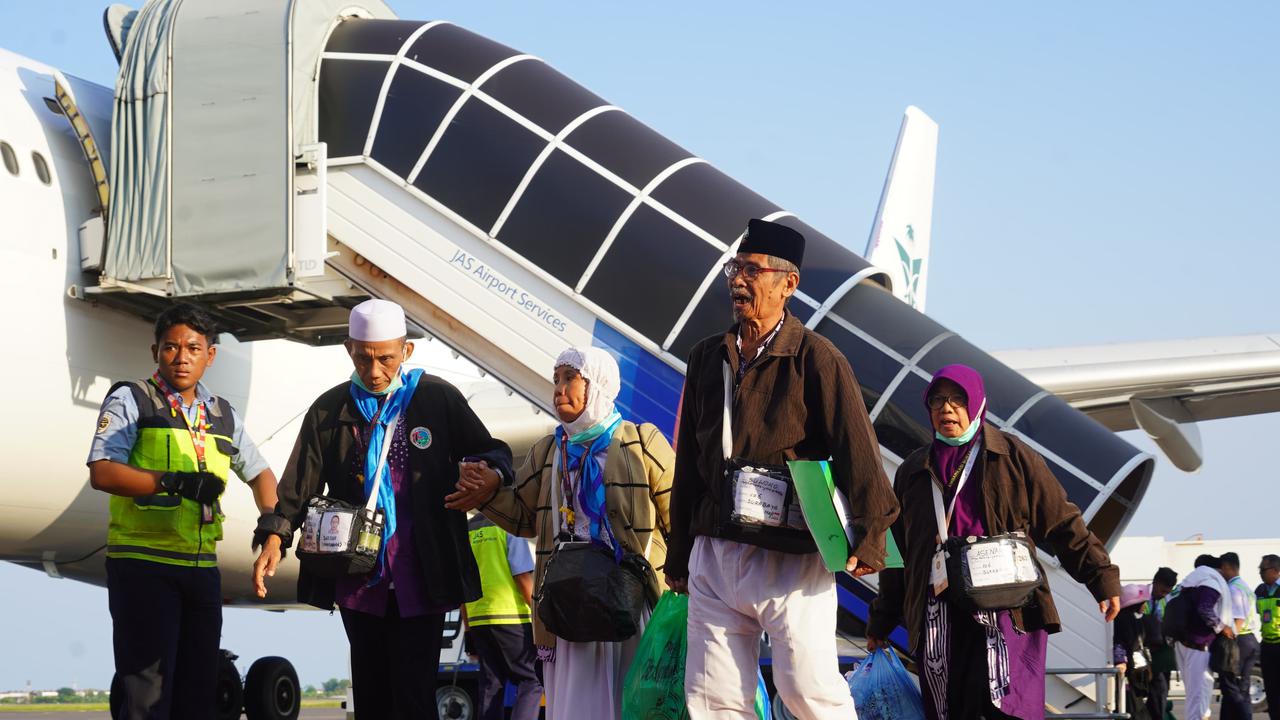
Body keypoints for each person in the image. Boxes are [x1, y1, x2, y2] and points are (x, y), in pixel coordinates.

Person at [663, 218, 900, 719]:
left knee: (808, 691)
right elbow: (689, 459)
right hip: (716, 549)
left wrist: (873, 532)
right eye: (735, 268)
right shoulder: (707, 357)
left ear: (787, 284)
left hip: (789, 553)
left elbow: (857, 448)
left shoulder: (818, 358)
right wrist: (680, 551)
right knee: (712, 698)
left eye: (752, 270)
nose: (737, 280)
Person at [252, 299, 513, 720]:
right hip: (358, 578)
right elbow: (297, 485)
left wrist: (491, 477)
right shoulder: (328, 409)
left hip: (422, 574)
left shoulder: (437, 398)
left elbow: (493, 451)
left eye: (386, 359)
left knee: (412, 697)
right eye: (364, 358)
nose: (374, 371)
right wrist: (274, 537)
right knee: (371, 694)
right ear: (349, 349)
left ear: (406, 351)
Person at [866, 364, 1122, 720]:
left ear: (976, 404)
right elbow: (899, 554)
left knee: (1009, 708)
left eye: (958, 399)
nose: (947, 408)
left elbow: (1062, 520)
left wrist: (1101, 577)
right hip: (940, 615)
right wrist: (881, 621)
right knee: (952, 709)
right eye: (937, 400)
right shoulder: (914, 470)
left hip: (1008, 608)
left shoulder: (1014, 457)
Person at [445, 346, 674, 720]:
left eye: (570, 379)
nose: (559, 389)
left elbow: (677, 515)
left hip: (632, 601)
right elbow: (523, 517)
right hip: (572, 603)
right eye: (556, 380)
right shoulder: (548, 451)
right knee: (576, 705)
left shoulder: (639, 441)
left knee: (636, 701)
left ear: (597, 385)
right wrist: (486, 493)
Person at [87, 303, 278, 719]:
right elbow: (102, 472)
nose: (181, 357)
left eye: (193, 348)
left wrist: (272, 523)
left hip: (200, 569)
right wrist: (172, 481)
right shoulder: (133, 398)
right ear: (156, 351)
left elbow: (262, 474)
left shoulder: (221, 413)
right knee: (148, 698)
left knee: (198, 695)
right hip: (143, 565)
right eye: (171, 347)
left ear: (211, 355)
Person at [463, 513, 542, 720]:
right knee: (531, 680)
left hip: (478, 618)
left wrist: (468, 629)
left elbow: (462, 585)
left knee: (492, 684)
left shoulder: (467, 529)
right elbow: (522, 576)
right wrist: (540, 616)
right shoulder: (508, 524)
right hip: (511, 617)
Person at [1173, 554, 1234, 720]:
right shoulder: (1210, 582)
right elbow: (1205, 609)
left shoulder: (1187, 584)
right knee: (1198, 692)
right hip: (1198, 644)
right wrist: (1222, 627)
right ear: (1217, 569)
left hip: (1183, 642)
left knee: (1194, 691)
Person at [1219, 552, 1261, 720]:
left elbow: (1238, 620)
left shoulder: (1233, 589)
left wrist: (1229, 643)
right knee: (1241, 688)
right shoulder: (1245, 586)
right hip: (1250, 639)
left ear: (1228, 568)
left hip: (1240, 640)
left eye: (1222, 569)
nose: (1220, 573)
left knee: (1234, 688)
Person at [1114, 584, 1155, 720]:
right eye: (1142, 603)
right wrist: (1120, 661)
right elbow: (1119, 642)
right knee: (1134, 709)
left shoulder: (1134, 619)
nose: (1144, 606)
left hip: (1138, 672)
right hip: (1130, 673)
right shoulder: (1123, 620)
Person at [1145, 567, 1178, 720]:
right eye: (1162, 591)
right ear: (1155, 583)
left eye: (1167, 592)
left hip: (1162, 653)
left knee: (1161, 691)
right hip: (1145, 653)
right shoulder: (1141, 596)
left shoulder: (1168, 600)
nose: (1163, 595)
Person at [1257, 554, 1280, 720]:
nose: (1260, 573)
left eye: (1263, 569)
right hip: (1267, 646)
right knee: (1271, 691)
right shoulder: (1260, 591)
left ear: (1276, 571)